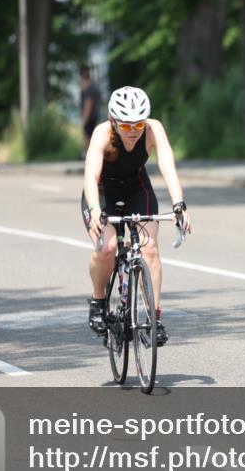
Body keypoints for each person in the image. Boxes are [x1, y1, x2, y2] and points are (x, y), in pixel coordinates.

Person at [81, 86, 191, 346]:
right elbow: (91, 175)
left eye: (138, 125)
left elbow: (167, 165)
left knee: (149, 248)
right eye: (126, 125)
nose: (133, 131)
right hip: (102, 189)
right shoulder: (102, 134)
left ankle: (154, 317)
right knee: (106, 247)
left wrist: (178, 204)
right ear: (114, 121)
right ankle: (98, 302)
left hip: (136, 186)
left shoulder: (153, 129)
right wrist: (96, 210)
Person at [79, 65, 102, 159]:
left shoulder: (88, 90)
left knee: (87, 136)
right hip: (95, 116)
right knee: (91, 135)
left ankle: (87, 154)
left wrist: (84, 119)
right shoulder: (94, 88)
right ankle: (89, 154)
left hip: (90, 117)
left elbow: (88, 105)